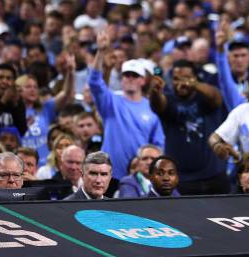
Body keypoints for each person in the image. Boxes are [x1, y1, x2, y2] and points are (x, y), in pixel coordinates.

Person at [89, 31, 165, 179]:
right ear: (121, 79)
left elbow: (158, 145)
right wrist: (100, 52)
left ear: (143, 80)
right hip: (109, 177)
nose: (130, 78)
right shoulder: (111, 102)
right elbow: (94, 83)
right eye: (126, 75)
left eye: (135, 75)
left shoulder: (152, 108)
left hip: (142, 176)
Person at [149, 59, 227, 195]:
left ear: (195, 78)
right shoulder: (169, 99)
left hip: (214, 176)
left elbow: (216, 97)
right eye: (176, 79)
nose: (181, 83)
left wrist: (193, 84)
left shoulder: (204, 97)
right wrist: (155, 92)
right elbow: (158, 106)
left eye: (185, 78)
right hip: (182, 180)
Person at [0, 63, 27, 139]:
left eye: (8, 78)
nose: (4, 81)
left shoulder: (18, 101)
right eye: (0, 78)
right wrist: (3, 101)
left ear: (13, 82)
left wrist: (15, 105)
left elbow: (22, 131)